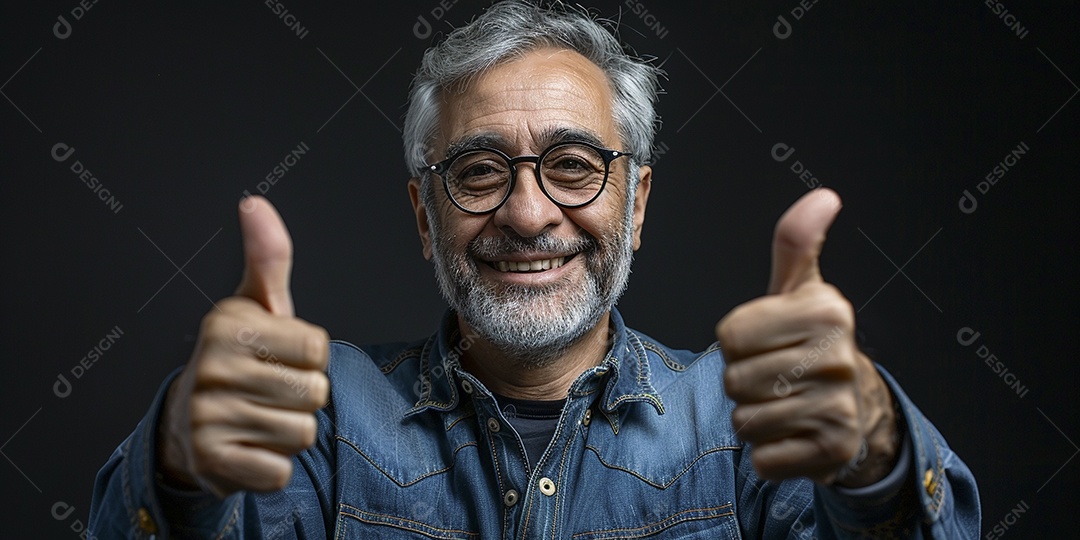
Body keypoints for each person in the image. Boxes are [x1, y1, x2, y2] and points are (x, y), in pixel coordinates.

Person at [89, 1, 980, 537]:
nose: (526, 212)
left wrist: (877, 456)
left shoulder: (753, 417)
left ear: (635, 202)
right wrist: (178, 463)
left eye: (574, 164)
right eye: (478, 171)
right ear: (423, 216)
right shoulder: (317, 416)